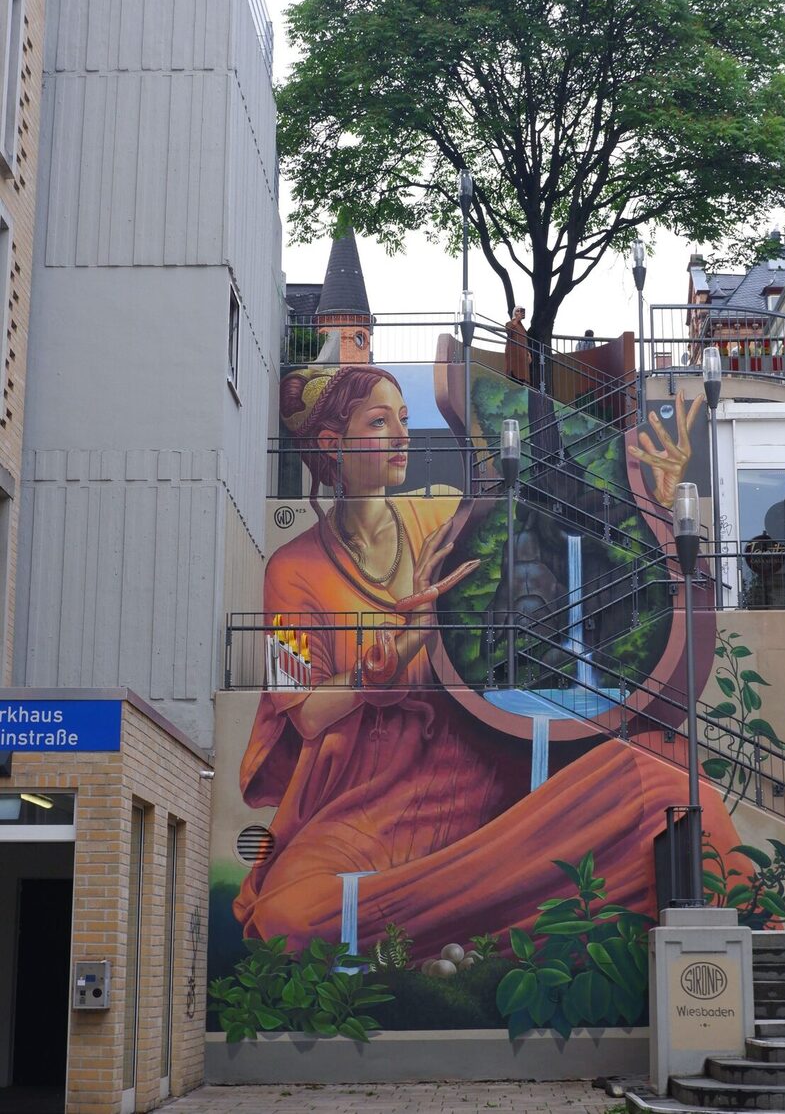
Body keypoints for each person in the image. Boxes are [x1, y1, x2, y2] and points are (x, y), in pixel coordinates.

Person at [234, 364, 745, 960]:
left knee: (663, 786)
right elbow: (304, 713)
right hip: (365, 800)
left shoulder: (439, 514)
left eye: (404, 419)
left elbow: (557, 532)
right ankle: (484, 915)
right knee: (287, 915)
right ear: (331, 445)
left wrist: (644, 501)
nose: (402, 436)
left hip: (470, 765)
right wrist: (392, 657)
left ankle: (450, 920)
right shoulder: (293, 571)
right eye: (379, 422)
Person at [504, 306, 530, 382]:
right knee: (514, 378)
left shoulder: (522, 328)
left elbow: (524, 340)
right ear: (514, 313)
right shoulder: (509, 323)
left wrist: (528, 353)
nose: (519, 313)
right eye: (517, 311)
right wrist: (516, 319)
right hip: (514, 356)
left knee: (522, 379)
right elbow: (509, 330)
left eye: (520, 311)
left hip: (522, 357)